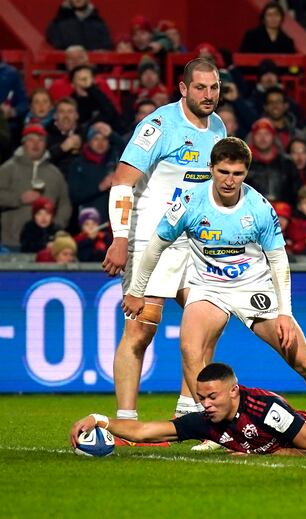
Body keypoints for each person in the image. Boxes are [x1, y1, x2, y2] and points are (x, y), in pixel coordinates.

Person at [121, 136, 306, 412]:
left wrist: (284, 312)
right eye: (223, 172)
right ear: (210, 168)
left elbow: (279, 262)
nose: (229, 180)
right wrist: (136, 290)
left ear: (246, 173)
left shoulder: (259, 208)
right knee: (190, 349)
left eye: (237, 174)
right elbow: (155, 246)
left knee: (304, 362)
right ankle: (211, 423)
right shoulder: (189, 201)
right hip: (208, 289)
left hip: (252, 288)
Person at [102, 58, 227, 429]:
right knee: (141, 329)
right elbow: (122, 182)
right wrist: (119, 239)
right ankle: (126, 422)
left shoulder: (218, 127)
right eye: (200, 88)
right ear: (184, 89)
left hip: (197, 240)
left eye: (214, 87)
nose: (208, 95)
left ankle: (190, 413)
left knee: (207, 322)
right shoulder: (158, 126)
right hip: (150, 237)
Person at [71, 362, 306, 456]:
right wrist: (99, 419)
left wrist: (254, 457)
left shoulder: (264, 407)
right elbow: (146, 431)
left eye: (212, 397)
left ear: (234, 390)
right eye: (201, 398)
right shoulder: (206, 421)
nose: (205, 405)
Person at [0, 124, 71, 249]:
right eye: (31, 140)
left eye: (40, 140)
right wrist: (19, 199)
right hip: (12, 243)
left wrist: (56, 226)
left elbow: (65, 204)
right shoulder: (7, 169)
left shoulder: (55, 173)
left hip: (47, 245)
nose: (36, 144)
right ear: (24, 143)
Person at [46, 0, 113, 51]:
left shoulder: (99, 24)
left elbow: (107, 48)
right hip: (68, 67)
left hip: (95, 67)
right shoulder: (57, 25)